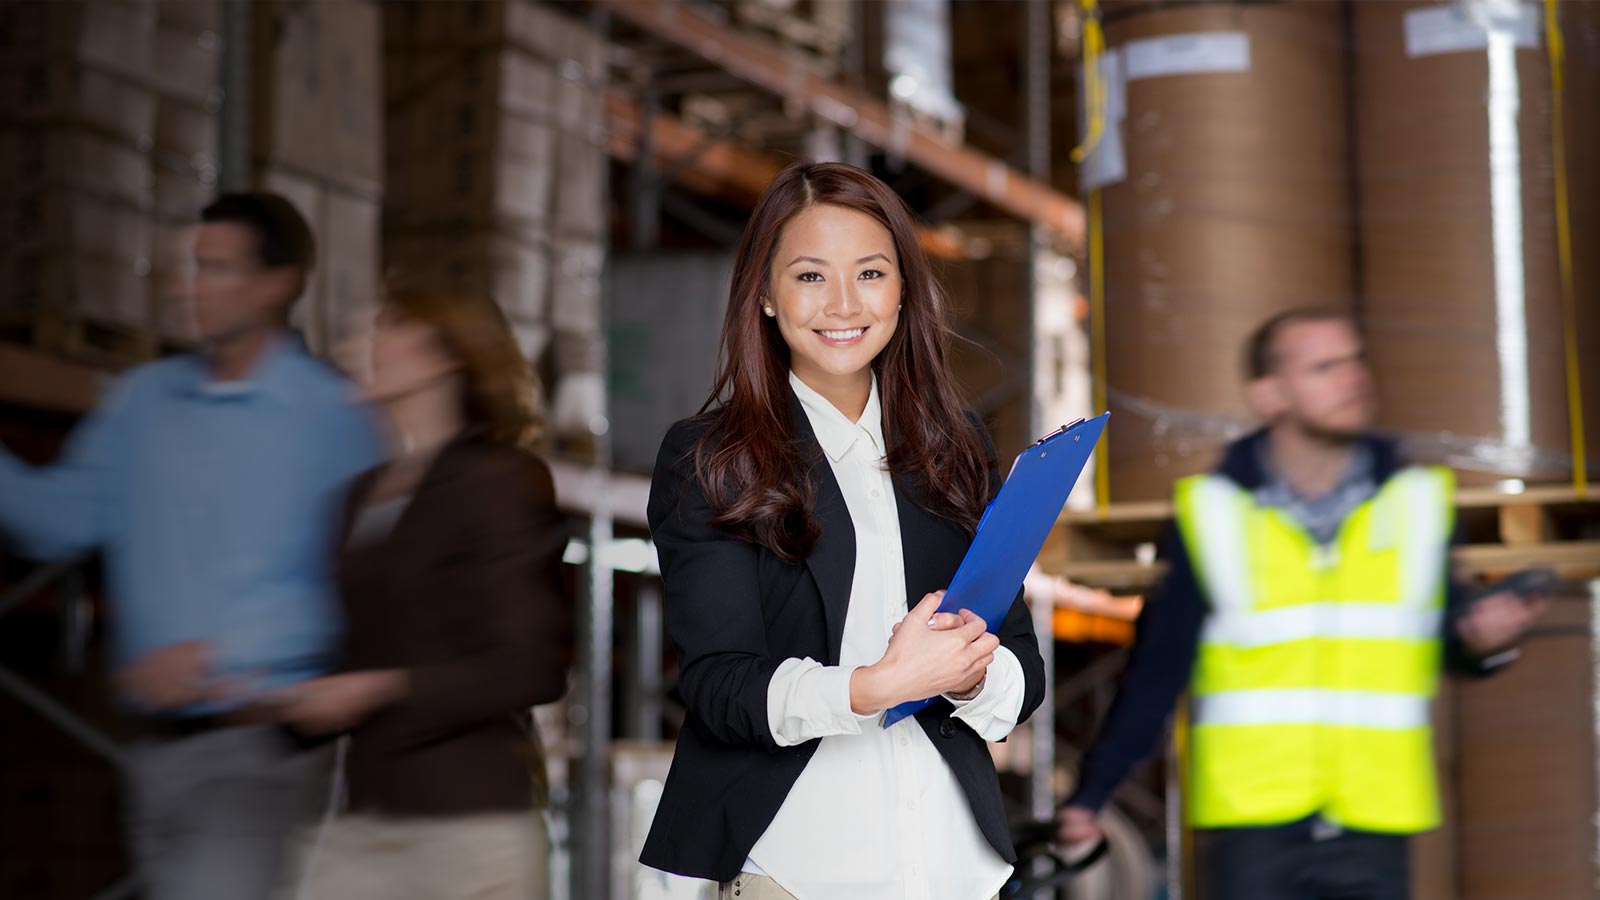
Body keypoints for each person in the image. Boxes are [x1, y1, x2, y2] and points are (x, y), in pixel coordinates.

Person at [640, 161, 1048, 900]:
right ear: (763, 295)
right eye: (808, 276)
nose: (841, 303)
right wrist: (875, 687)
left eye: (869, 273)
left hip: (955, 870)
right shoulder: (712, 458)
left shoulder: (955, 451)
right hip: (801, 868)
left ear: (902, 291)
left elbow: (1021, 668)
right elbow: (719, 686)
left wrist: (970, 672)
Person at [1055, 309, 1542, 900]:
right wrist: (1093, 793)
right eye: (1325, 367)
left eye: (1356, 360)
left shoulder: (1419, 502)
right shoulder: (1213, 511)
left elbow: (1440, 641)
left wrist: (1482, 641)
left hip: (1376, 818)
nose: (1353, 378)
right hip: (1254, 819)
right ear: (1269, 394)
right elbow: (1162, 663)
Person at [0, 193, 384, 899]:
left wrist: (221, 655)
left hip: (261, 756)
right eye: (187, 266)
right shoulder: (143, 402)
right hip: (152, 754)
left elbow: (363, 589)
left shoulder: (330, 415)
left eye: (214, 267)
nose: (187, 284)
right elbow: (60, 518)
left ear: (278, 284)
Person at [276, 282, 569, 900]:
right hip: (368, 816)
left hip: (470, 827)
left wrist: (380, 688)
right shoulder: (357, 497)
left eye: (388, 327)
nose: (364, 344)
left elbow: (532, 666)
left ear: (446, 353)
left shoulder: (501, 481)